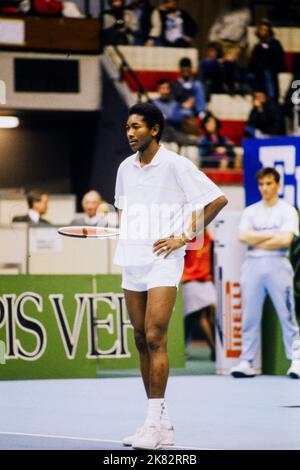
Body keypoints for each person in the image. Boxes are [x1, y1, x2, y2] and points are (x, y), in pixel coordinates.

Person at [114, 102, 227, 449]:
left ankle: (152, 422)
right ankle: (159, 424)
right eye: (127, 127)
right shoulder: (124, 168)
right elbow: (123, 211)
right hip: (132, 258)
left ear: (155, 129)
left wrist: (183, 236)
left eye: (136, 127)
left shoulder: (177, 165)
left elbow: (216, 200)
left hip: (164, 258)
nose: (130, 133)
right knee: (138, 338)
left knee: (155, 334)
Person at [230, 167, 300, 379]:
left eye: (269, 184)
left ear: (277, 185)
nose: (265, 188)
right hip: (252, 265)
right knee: (250, 316)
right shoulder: (251, 211)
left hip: (278, 264)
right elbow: (242, 237)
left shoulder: (287, 210)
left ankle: (296, 359)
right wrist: (272, 235)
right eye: (261, 184)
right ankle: (247, 361)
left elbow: (285, 240)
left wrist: (257, 237)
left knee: (287, 315)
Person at [182, 229, 216, 360]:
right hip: (190, 280)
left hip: (206, 281)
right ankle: (216, 351)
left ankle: (216, 350)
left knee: (202, 315)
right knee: (201, 315)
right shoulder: (187, 237)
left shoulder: (207, 236)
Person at [248, 19, 285, 102]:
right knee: (248, 75)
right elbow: (253, 62)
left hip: (271, 70)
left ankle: (271, 98)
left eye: (265, 30)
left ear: (269, 32)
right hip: (258, 72)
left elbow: (278, 59)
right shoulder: (257, 47)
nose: (263, 32)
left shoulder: (275, 44)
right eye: (261, 30)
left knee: (266, 73)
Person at [153, 79, 198, 145]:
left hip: (174, 130)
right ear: (158, 90)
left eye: (167, 89)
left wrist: (167, 117)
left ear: (170, 90)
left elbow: (178, 119)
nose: (165, 91)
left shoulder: (175, 104)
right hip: (160, 131)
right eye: (162, 88)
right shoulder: (153, 103)